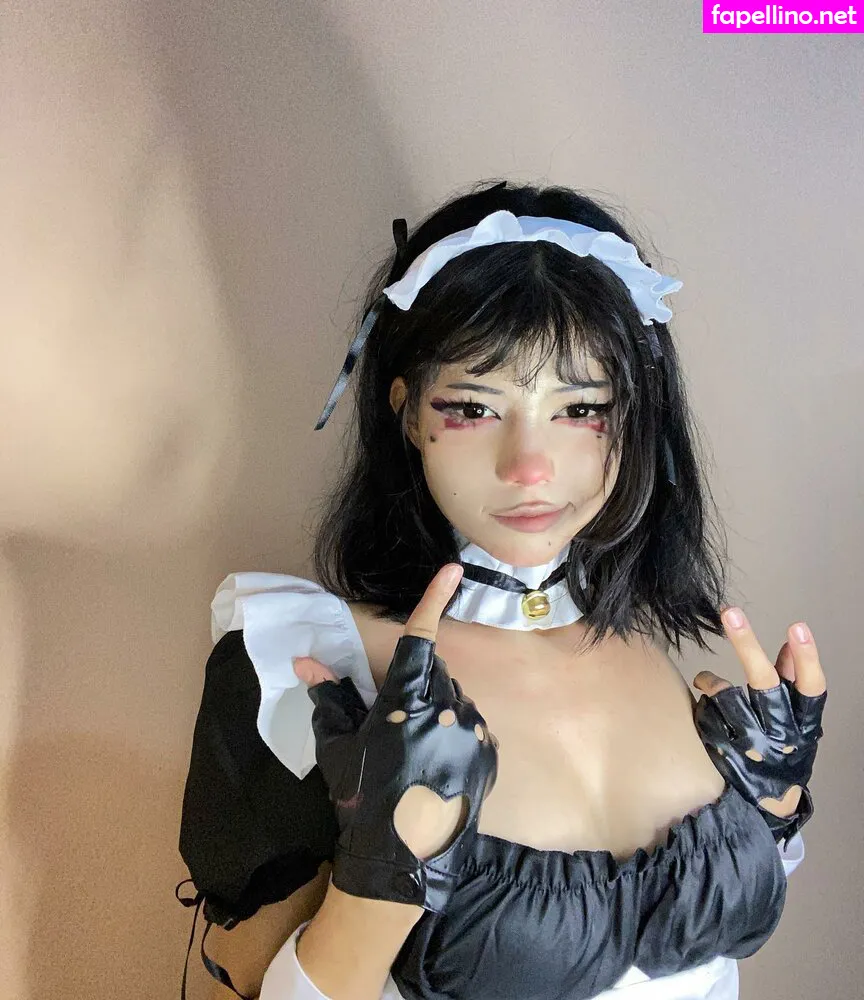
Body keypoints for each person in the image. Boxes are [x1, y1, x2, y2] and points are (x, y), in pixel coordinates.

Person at [176, 180, 827, 1000]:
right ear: (408, 413)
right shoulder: (305, 665)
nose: (529, 466)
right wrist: (385, 867)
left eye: (581, 408)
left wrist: (772, 808)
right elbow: (233, 987)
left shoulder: (649, 646)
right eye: (476, 408)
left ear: (634, 415)